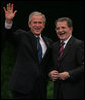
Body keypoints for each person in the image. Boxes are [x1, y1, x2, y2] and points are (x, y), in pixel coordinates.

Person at [3, 3, 53, 99]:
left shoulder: (48, 42)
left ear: (44, 25)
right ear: (29, 24)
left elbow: (48, 63)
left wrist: (51, 72)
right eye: (34, 22)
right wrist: (8, 21)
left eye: (40, 22)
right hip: (22, 88)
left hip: (40, 89)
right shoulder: (22, 36)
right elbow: (9, 36)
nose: (37, 25)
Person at [49, 17, 84, 99]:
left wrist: (69, 74)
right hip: (57, 92)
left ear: (71, 29)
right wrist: (50, 73)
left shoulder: (79, 44)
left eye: (63, 27)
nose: (60, 30)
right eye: (58, 28)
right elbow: (50, 64)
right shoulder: (54, 46)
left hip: (74, 92)